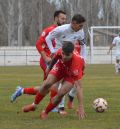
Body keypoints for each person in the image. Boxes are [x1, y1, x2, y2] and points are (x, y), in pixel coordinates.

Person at [10, 10, 67, 114]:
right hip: (48, 62)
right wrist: (45, 58)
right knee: (52, 85)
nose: (64, 21)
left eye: (65, 19)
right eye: (62, 18)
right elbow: (38, 44)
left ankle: (22, 91)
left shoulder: (62, 31)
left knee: (45, 87)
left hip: (55, 61)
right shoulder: (50, 30)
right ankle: (54, 107)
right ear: (56, 18)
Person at [22, 42, 86, 120]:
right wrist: (49, 68)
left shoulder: (77, 62)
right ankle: (34, 105)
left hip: (71, 74)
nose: (64, 56)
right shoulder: (60, 51)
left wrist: (81, 106)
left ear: (72, 53)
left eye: (67, 55)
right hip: (61, 67)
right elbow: (55, 58)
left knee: (61, 93)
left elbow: (79, 87)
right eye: (63, 54)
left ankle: (45, 112)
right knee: (47, 83)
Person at [45, 14, 86, 110]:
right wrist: (53, 51)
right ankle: (59, 106)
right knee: (55, 83)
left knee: (74, 83)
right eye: (80, 25)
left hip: (72, 60)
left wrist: (83, 59)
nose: (82, 28)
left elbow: (83, 45)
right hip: (59, 58)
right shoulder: (61, 29)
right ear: (74, 23)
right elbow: (48, 38)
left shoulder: (80, 31)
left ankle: (63, 102)